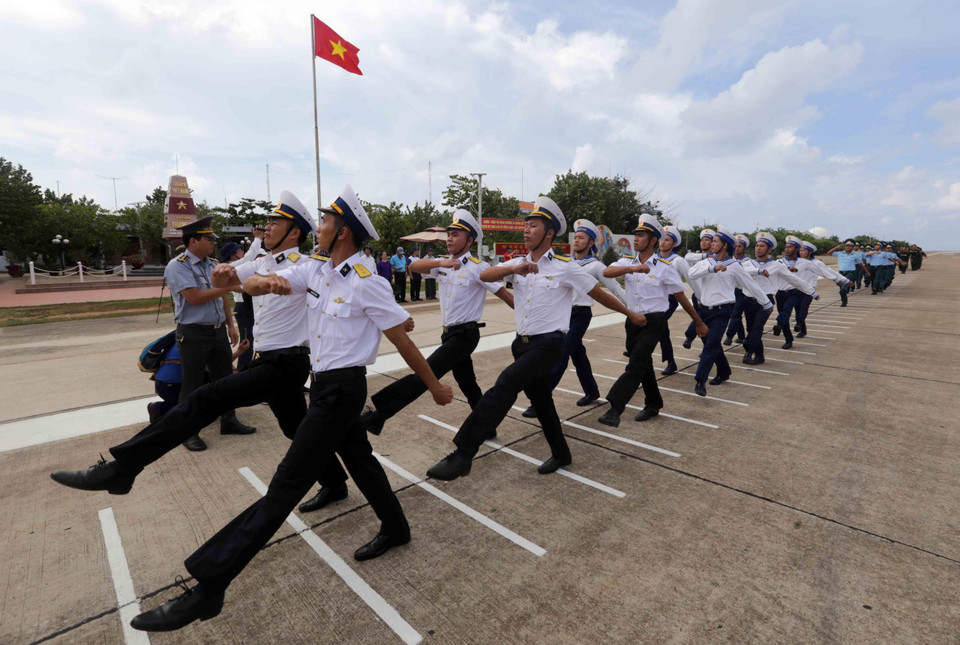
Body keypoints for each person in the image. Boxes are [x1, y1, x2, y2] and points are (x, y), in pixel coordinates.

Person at [118, 184, 453, 633]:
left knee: (284, 487)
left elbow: (404, 342)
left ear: (345, 233)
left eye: (328, 222)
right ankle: (396, 526)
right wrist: (264, 282)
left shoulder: (367, 283)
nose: (320, 228)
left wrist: (434, 387)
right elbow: (256, 280)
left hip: (343, 391)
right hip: (324, 385)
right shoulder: (318, 271)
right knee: (361, 460)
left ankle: (209, 586)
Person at [50, 191, 350, 512]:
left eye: (275, 222)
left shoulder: (308, 266)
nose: (266, 227)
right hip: (269, 358)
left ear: (294, 232)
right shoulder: (262, 261)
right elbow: (234, 277)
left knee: (204, 398)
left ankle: (121, 468)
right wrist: (225, 274)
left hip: (287, 362)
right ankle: (335, 482)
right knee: (295, 427)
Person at [425, 196, 647, 481]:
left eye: (533, 225)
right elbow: (487, 273)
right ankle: (561, 453)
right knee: (542, 401)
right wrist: (512, 268)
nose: (526, 230)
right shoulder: (518, 262)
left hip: (549, 344)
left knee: (505, 384)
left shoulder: (565, 266)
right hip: (522, 344)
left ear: (550, 232)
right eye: (525, 225)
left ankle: (463, 454)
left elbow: (597, 292)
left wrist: (630, 313)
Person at [361, 210, 514, 435]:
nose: (450, 238)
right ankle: (487, 428)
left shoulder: (478, 267)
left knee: (425, 373)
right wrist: (442, 262)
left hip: (465, 335)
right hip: (448, 334)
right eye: (449, 234)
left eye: (456, 234)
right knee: (468, 384)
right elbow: (413, 267)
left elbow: (506, 296)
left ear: (469, 240)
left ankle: (379, 415)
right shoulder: (443, 264)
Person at [596, 215, 707, 427]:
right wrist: (632, 269)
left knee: (636, 364)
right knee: (644, 365)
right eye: (635, 235)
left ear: (653, 240)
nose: (636, 239)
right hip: (632, 320)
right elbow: (606, 272)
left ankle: (615, 408)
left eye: (641, 235)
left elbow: (681, 298)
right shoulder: (627, 262)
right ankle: (653, 403)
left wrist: (699, 322)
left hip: (654, 321)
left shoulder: (664, 267)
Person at [162, 216, 255, 451]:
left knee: (224, 380)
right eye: (208, 239)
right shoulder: (178, 265)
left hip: (216, 332)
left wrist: (230, 323)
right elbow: (193, 297)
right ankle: (189, 431)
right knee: (192, 385)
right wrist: (227, 287)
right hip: (193, 333)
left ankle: (229, 420)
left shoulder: (210, 264)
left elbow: (221, 296)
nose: (213, 243)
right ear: (193, 241)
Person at [522, 218, 626, 418]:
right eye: (576, 237)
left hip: (580, 315)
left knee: (560, 355)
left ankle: (539, 401)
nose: (577, 241)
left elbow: (615, 288)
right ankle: (592, 391)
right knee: (578, 355)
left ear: (590, 244)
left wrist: (632, 309)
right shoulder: (566, 263)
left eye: (582, 238)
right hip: (563, 314)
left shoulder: (596, 266)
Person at [687, 225, 773, 396]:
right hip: (704, 310)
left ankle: (700, 381)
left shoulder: (735, 266)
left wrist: (766, 304)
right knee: (711, 344)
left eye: (715, 242)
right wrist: (712, 268)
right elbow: (691, 274)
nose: (711, 244)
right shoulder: (706, 262)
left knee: (711, 345)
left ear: (724, 245)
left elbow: (751, 284)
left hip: (722, 311)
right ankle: (724, 372)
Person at [740, 233, 816, 365]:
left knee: (757, 328)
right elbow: (741, 274)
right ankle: (760, 356)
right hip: (748, 301)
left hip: (765, 301)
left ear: (769, 249)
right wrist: (758, 271)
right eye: (757, 246)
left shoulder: (777, 265)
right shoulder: (747, 264)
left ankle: (749, 350)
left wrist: (812, 292)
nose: (758, 248)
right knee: (751, 329)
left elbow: (794, 279)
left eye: (762, 246)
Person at [653, 225, 688, 376]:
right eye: (661, 240)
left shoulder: (678, 261)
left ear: (673, 244)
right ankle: (671, 363)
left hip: (671, 299)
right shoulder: (653, 258)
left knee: (654, 324)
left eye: (667, 240)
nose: (662, 243)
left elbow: (691, 279)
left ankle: (638, 351)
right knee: (662, 332)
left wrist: (700, 297)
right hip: (655, 298)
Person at [794, 241, 849, 337]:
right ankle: (803, 330)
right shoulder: (796, 262)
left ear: (809, 252)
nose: (801, 252)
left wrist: (843, 280)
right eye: (800, 250)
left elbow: (829, 271)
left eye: (804, 250)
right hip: (796, 289)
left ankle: (799, 324)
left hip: (809, 290)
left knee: (803, 309)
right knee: (797, 311)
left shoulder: (816, 263)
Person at [221, 241, 256, 370]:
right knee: (246, 342)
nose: (242, 252)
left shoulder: (239, 266)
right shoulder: (231, 266)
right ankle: (242, 369)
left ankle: (245, 368)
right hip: (243, 306)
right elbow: (249, 258)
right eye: (239, 250)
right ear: (233, 255)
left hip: (248, 306)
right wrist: (257, 239)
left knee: (251, 341)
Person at [681, 229, 715, 349]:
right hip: (697, 295)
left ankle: (689, 337)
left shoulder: (716, 258)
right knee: (701, 320)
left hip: (709, 295)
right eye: (702, 240)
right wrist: (705, 255)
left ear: (713, 243)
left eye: (707, 240)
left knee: (701, 318)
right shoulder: (695, 256)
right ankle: (705, 346)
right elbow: (687, 256)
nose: (704, 242)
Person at [722, 233, 751, 346]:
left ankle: (729, 336)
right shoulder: (728, 260)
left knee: (735, 314)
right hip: (729, 290)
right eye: (735, 246)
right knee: (734, 315)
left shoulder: (748, 262)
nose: (737, 248)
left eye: (740, 246)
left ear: (744, 248)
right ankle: (741, 335)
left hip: (741, 292)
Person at [826, 239, 870, 307]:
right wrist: (836, 247)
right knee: (842, 289)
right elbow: (828, 253)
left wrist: (867, 271)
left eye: (850, 246)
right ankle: (844, 302)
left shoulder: (856, 255)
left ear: (852, 247)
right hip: (841, 273)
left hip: (851, 272)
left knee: (844, 286)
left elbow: (861, 264)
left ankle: (845, 293)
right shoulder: (840, 253)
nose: (848, 247)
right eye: (846, 246)